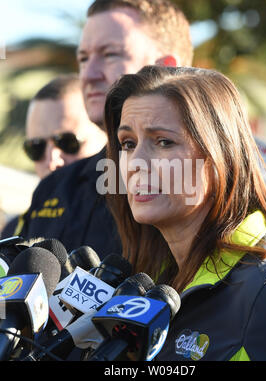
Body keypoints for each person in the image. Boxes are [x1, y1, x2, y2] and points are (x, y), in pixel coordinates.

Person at [104, 65, 266, 361]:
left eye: (163, 141)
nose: (135, 162)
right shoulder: (149, 282)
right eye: (128, 144)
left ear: (220, 155)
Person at [10, 0, 193, 257]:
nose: (89, 74)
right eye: (83, 58)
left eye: (110, 55)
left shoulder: (196, 190)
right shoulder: (55, 187)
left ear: (166, 67)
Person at [1, 74, 106, 238]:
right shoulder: (14, 233)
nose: (52, 161)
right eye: (36, 147)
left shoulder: (135, 222)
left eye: (67, 143)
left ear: (106, 137)